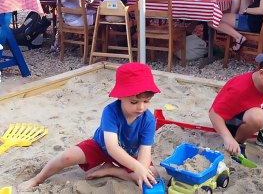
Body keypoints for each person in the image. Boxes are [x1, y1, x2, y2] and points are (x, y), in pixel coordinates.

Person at [18, 62, 161, 191]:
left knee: (150, 175)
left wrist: (141, 169)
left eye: (146, 101)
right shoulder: (111, 111)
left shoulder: (148, 120)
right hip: (101, 147)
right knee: (66, 157)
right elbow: (112, 147)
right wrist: (136, 168)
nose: (141, 107)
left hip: (130, 154)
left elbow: (145, 151)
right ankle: (37, 179)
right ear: (120, 96)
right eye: (134, 102)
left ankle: (111, 170)